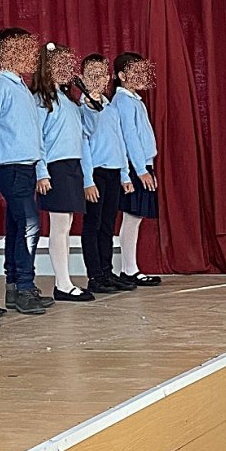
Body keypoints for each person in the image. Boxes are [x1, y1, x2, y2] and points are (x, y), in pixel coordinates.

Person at [0, 27, 51, 315]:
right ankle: (24, 285)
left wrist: (41, 169)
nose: (31, 56)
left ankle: (15, 285)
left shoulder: (22, 88)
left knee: (17, 224)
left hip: (26, 167)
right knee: (29, 224)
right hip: (9, 166)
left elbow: (35, 134)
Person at [32, 43, 97, 302]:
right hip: (55, 166)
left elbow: (86, 132)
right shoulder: (41, 99)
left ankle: (65, 280)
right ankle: (62, 282)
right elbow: (37, 137)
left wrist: (90, 104)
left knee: (67, 224)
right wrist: (41, 171)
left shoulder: (70, 101)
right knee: (59, 226)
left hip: (73, 165)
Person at [78, 53, 134, 295]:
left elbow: (119, 142)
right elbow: (83, 145)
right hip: (96, 173)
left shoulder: (110, 107)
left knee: (108, 224)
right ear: (82, 78)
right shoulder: (82, 108)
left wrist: (125, 174)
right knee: (93, 224)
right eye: (92, 75)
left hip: (113, 172)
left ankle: (107, 271)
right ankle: (95, 275)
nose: (98, 80)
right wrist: (88, 180)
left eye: (102, 75)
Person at [112, 51, 163, 288]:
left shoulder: (134, 100)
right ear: (122, 75)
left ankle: (130, 268)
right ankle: (129, 269)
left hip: (141, 164)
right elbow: (129, 137)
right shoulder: (123, 101)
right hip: (135, 166)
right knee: (132, 217)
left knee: (135, 218)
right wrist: (141, 169)